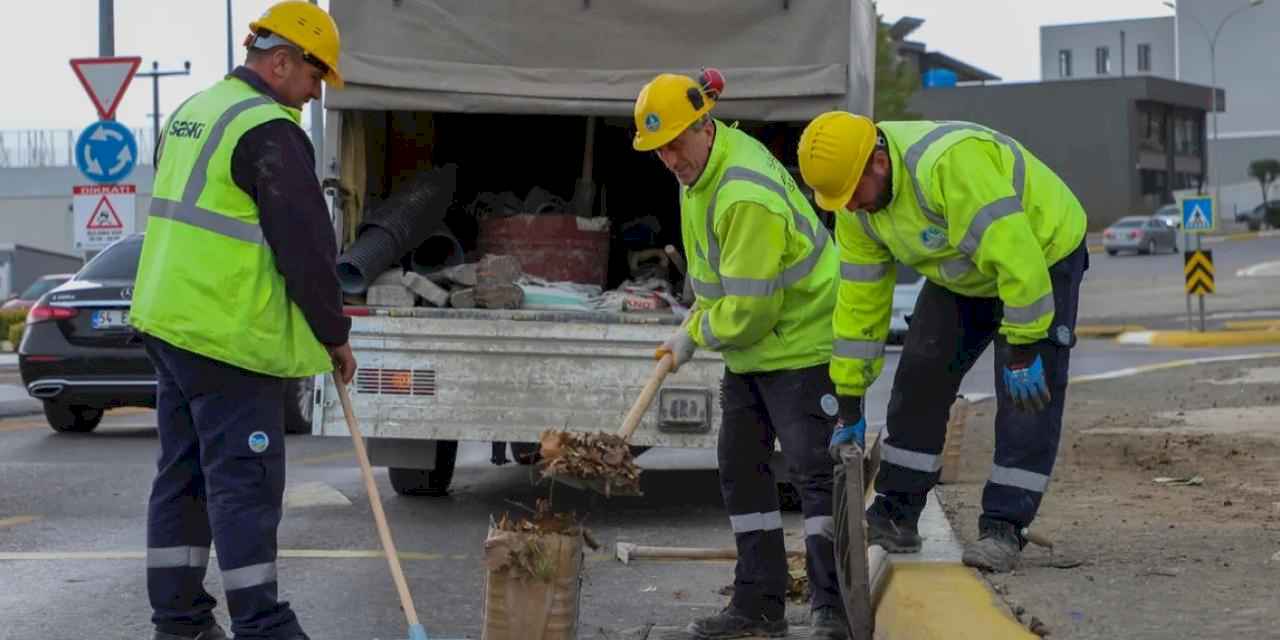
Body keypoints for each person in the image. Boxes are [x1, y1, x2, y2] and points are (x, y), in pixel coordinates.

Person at [129, 3, 355, 639]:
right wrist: (333, 334)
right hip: (227, 336)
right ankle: (263, 626)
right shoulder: (268, 130)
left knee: (184, 479)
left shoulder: (193, 112)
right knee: (244, 486)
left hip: (170, 326)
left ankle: (179, 622)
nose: (314, 94)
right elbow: (306, 248)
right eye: (315, 77)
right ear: (280, 61)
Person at [796, 112, 1089, 573]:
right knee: (920, 374)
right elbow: (859, 307)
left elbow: (1018, 259)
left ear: (877, 161)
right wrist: (849, 402)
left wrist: (1026, 347)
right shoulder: (855, 210)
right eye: (838, 200)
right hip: (964, 268)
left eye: (852, 193)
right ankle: (897, 512)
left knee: (1025, 395)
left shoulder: (948, 166)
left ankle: (1004, 528)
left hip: (1041, 251)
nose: (848, 206)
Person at [634, 70, 849, 639]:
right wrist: (696, 317)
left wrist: (696, 335)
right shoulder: (699, 172)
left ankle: (834, 607)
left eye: (677, 143)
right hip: (755, 353)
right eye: (659, 150)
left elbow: (752, 310)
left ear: (704, 125)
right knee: (740, 466)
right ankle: (759, 602)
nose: (671, 158)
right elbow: (722, 283)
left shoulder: (743, 192)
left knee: (813, 475)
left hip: (802, 345)